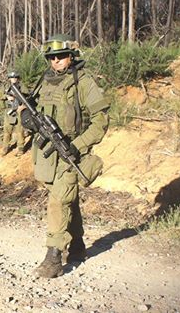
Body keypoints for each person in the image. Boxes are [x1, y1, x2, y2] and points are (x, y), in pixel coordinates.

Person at [26, 34, 110, 278]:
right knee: (67, 199)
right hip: (47, 155)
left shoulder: (83, 82)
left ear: (71, 56)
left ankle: (53, 258)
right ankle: (77, 246)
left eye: (61, 56)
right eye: (52, 57)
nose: (56, 61)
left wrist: (79, 145)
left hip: (71, 153)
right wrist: (25, 119)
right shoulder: (45, 80)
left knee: (59, 202)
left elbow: (101, 120)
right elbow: (33, 110)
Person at [2, 71, 26, 157]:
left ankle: (21, 148)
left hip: (19, 110)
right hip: (9, 111)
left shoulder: (22, 87)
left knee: (20, 130)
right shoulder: (6, 88)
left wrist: (23, 106)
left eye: (15, 77)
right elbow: (0, 97)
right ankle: (5, 148)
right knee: (7, 131)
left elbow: (28, 97)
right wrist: (6, 97)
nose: (14, 79)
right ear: (9, 79)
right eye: (12, 78)